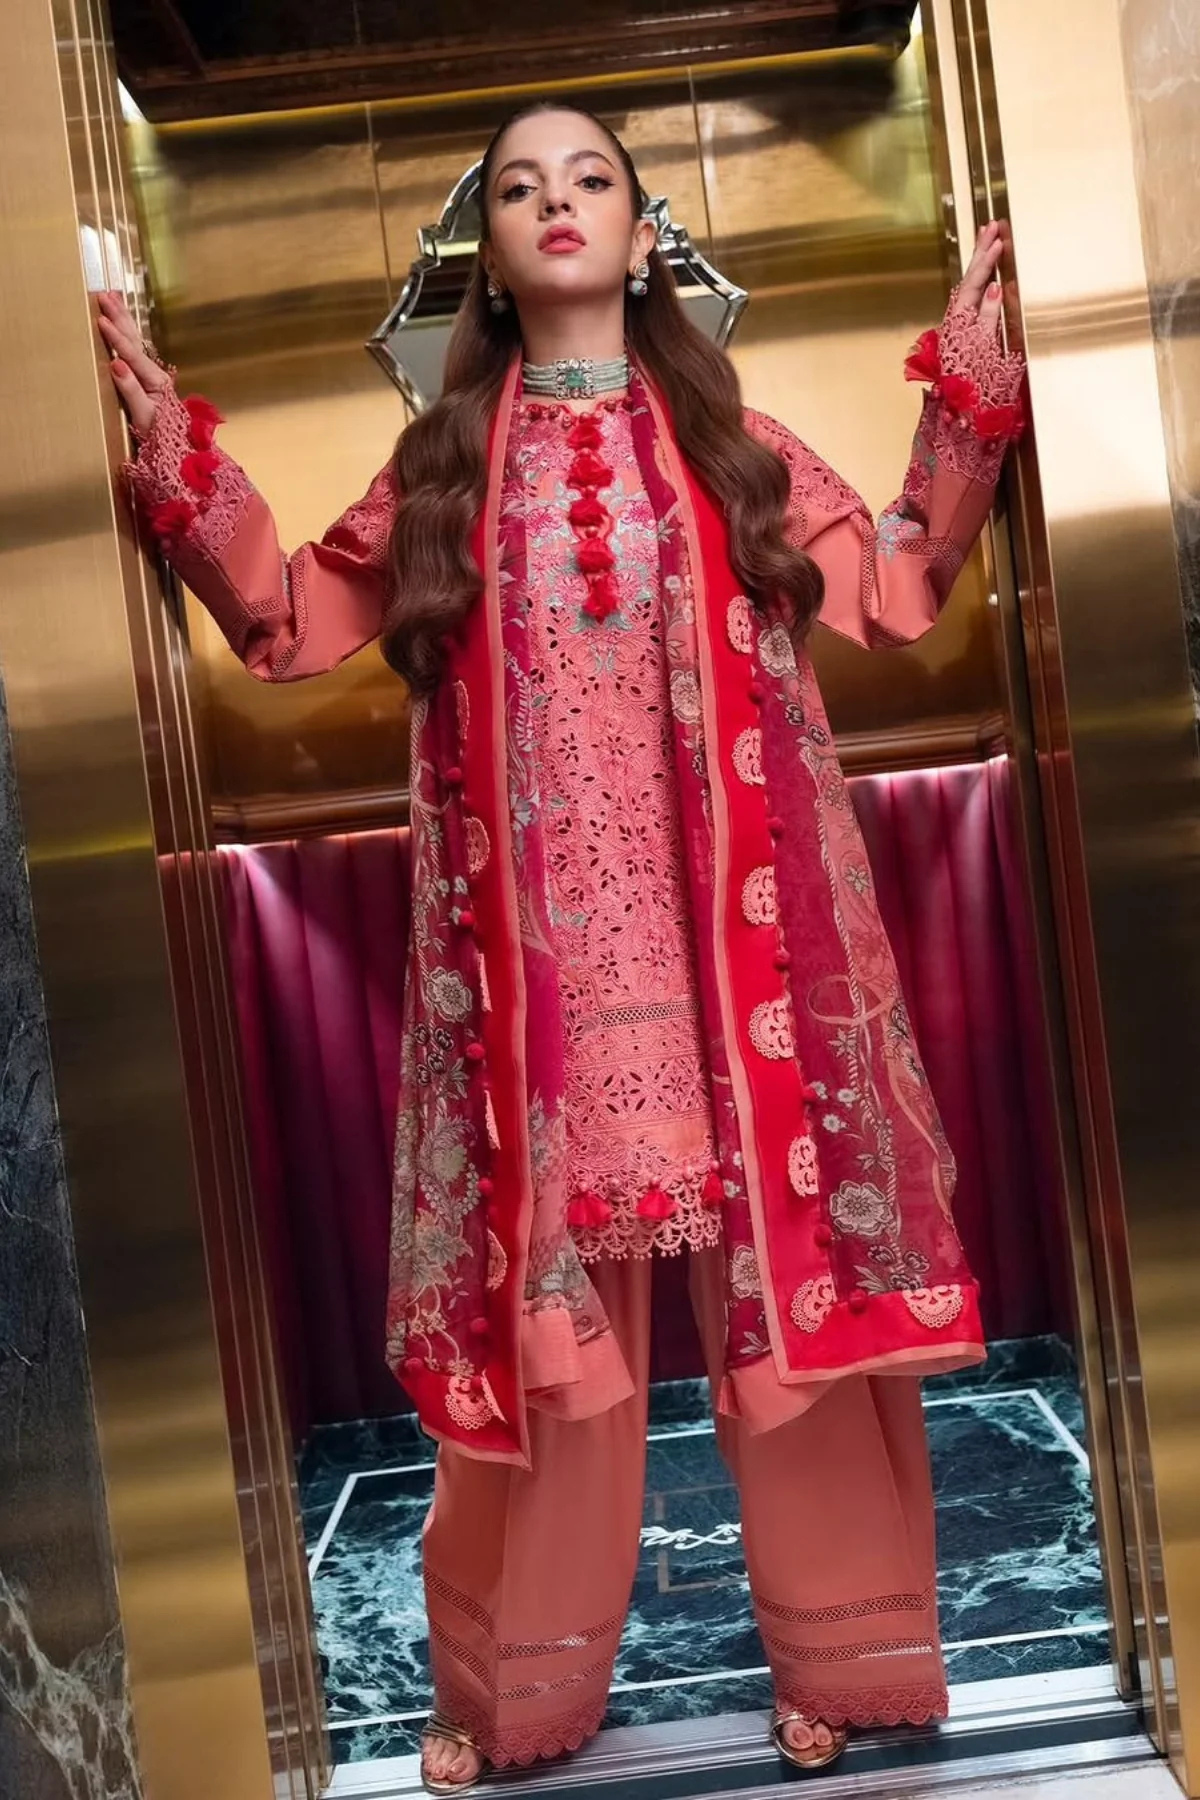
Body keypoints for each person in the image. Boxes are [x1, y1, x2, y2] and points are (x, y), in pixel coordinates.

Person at [99, 100, 1024, 1795]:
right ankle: (518, 1694)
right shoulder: (447, 469)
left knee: (796, 1321)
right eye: (520, 189)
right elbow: (285, 624)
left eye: (591, 178)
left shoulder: (730, 444)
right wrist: (174, 453)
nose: (558, 204)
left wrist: (973, 381)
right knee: (552, 1365)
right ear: (491, 255)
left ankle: (853, 1665)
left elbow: (902, 590)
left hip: (739, 964)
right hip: (544, 992)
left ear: (644, 234)